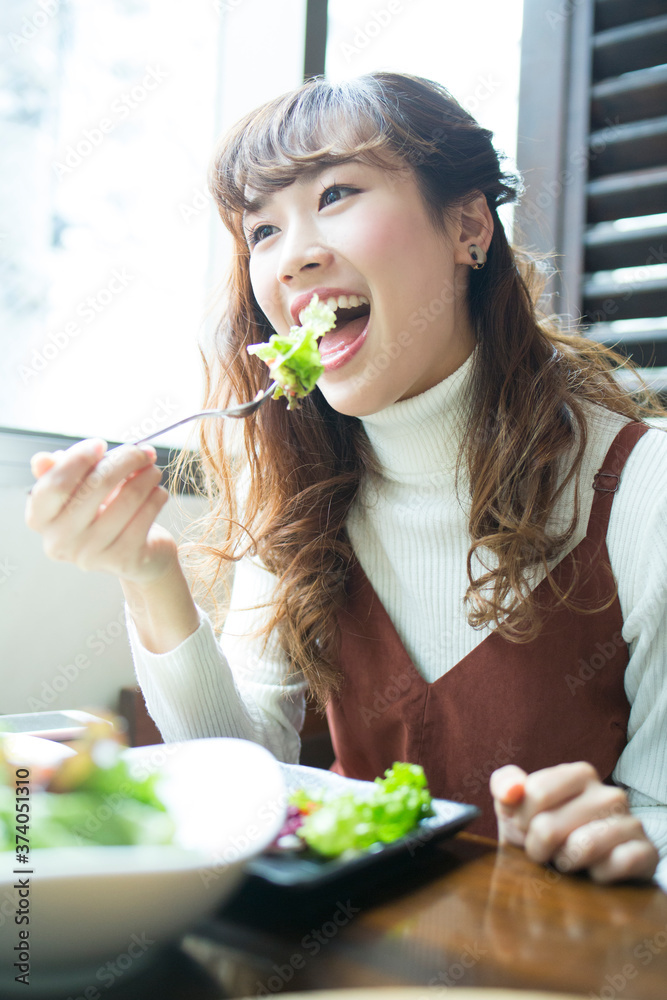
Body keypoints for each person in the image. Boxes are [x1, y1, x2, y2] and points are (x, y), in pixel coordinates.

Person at [26, 72, 667, 885]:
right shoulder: (301, 490)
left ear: (469, 226)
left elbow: (660, 822)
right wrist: (149, 574)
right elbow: (241, 774)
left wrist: (626, 847)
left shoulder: (645, 489)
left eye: (336, 194)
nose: (293, 257)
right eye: (261, 231)